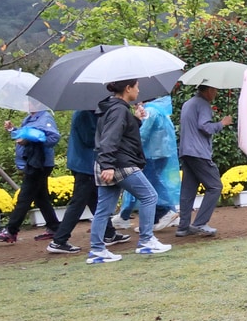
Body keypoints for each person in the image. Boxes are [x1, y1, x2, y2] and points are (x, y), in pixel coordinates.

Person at [88, 80, 172, 263]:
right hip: (119, 163)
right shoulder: (119, 110)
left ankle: (97, 250)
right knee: (149, 196)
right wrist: (108, 165)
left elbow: (121, 134)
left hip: (107, 162)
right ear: (128, 89)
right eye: (137, 87)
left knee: (103, 209)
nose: (139, 90)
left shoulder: (112, 108)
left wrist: (136, 119)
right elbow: (110, 138)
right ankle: (146, 241)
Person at [47, 109, 125, 254]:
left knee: (94, 199)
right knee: (78, 202)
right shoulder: (84, 114)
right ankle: (59, 240)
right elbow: (90, 139)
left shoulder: (88, 113)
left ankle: (109, 233)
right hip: (84, 164)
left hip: (84, 163)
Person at [0, 107, 62, 244]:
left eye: (32, 102)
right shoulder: (28, 119)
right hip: (30, 162)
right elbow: (23, 135)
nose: (29, 104)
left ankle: (11, 230)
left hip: (40, 164)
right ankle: (54, 227)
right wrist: (12, 130)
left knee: (24, 197)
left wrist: (33, 139)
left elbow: (53, 138)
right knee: (41, 197)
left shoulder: (45, 118)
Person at [115, 96, 180, 232]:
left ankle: (167, 211)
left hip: (151, 154)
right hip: (162, 153)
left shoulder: (149, 111)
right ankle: (162, 214)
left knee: (151, 183)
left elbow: (141, 134)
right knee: (153, 182)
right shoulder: (161, 109)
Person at [176, 86, 232, 237]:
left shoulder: (188, 103)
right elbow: (205, 127)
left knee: (188, 190)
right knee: (215, 186)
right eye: (214, 90)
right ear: (207, 90)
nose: (216, 93)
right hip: (199, 153)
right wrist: (222, 123)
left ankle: (183, 227)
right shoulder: (203, 104)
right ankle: (200, 223)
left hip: (186, 151)